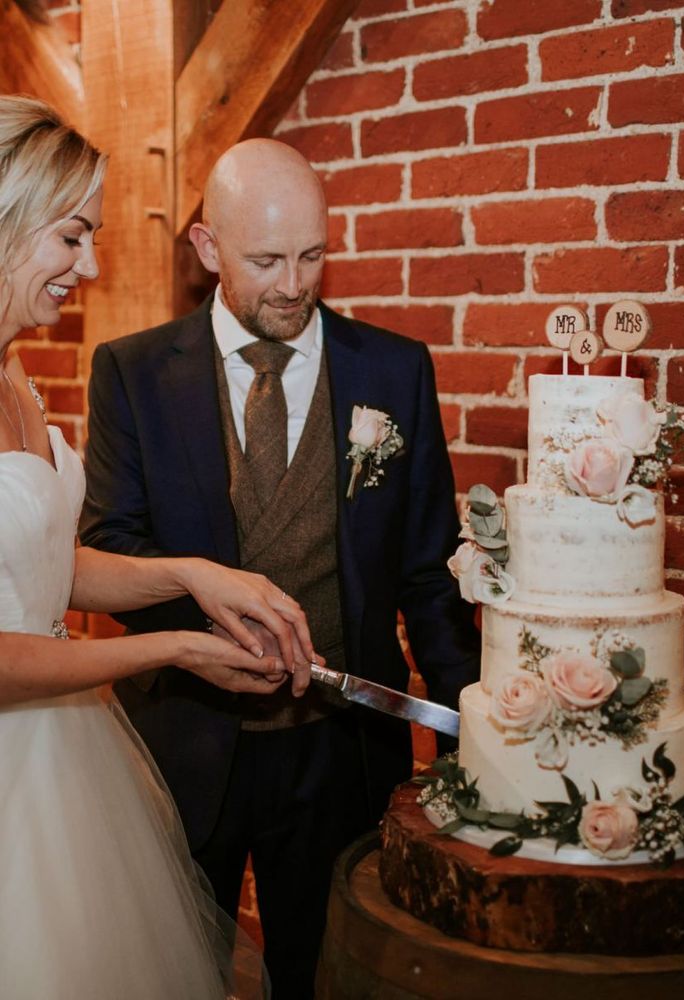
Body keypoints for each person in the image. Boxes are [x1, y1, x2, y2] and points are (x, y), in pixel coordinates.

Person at [80, 136, 482, 998]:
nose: (295, 284)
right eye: (266, 260)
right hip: (187, 741)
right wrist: (207, 620)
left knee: (328, 975)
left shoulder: (394, 370)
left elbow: (428, 571)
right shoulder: (132, 372)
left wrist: (472, 725)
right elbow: (109, 547)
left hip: (344, 747)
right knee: (180, 973)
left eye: (313, 255)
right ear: (208, 247)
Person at [0, 96, 322, 998]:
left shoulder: (14, 369)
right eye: (72, 237)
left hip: (59, 756)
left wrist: (190, 574)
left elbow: (43, 570)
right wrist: (174, 646)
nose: (92, 266)